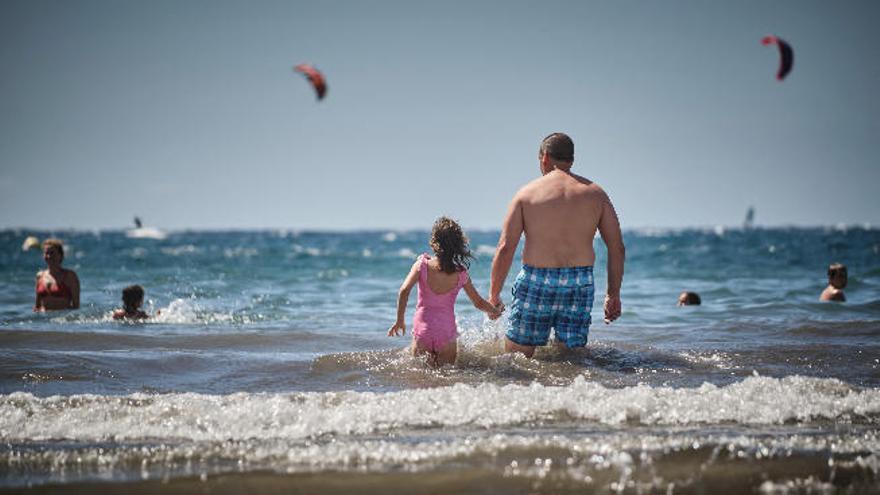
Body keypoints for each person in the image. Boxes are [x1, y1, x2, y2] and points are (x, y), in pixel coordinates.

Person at [489, 133, 625, 358]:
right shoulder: (596, 194)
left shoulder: (527, 194)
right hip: (579, 281)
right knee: (573, 360)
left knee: (517, 359)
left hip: (537, 279)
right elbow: (617, 247)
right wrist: (613, 294)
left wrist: (494, 296)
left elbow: (505, 247)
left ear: (544, 158)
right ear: (571, 160)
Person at [388, 217, 502, 366]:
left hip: (423, 331)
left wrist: (399, 320)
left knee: (419, 378)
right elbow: (478, 302)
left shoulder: (422, 265)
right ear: (458, 245)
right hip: (446, 333)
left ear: (434, 242)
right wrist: (494, 311)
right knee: (446, 377)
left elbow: (404, 291)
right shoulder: (461, 273)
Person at [33, 239, 80, 311]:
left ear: (60, 255)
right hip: (44, 319)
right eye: (46, 253)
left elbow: (76, 307)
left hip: (62, 319)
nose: (49, 256)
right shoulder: (39, 276)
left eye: (52, 253)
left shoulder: (70, 276)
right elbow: (37, 307)